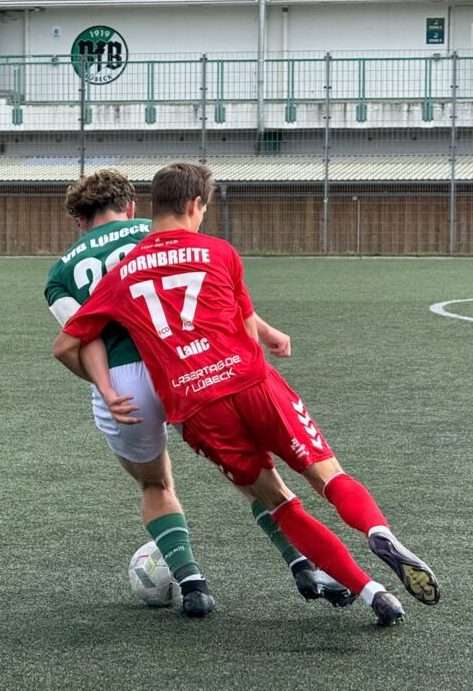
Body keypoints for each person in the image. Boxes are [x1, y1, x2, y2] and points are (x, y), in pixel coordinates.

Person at [55, 162, 441, 627]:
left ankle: (362, 591)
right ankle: (357, 540)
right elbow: (231, 310)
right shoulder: (214, 248)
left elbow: (72, 342)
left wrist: (105, 387)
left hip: (173, 392)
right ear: (184, 206)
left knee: (208, 491)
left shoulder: (95, 273)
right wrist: (264, 335)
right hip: (247, 380)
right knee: (326, 475)